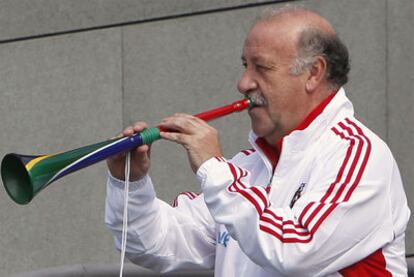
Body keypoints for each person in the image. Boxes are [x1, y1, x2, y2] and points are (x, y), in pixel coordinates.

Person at [105, 6, 410, 277]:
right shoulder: (249, 167)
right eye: (245, 66)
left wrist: (214, 170)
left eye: (261, 68)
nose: (243, 84)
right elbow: (156, 244)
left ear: (314, 73)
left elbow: (293, 250)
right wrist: (129, 183)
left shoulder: (359, 156)